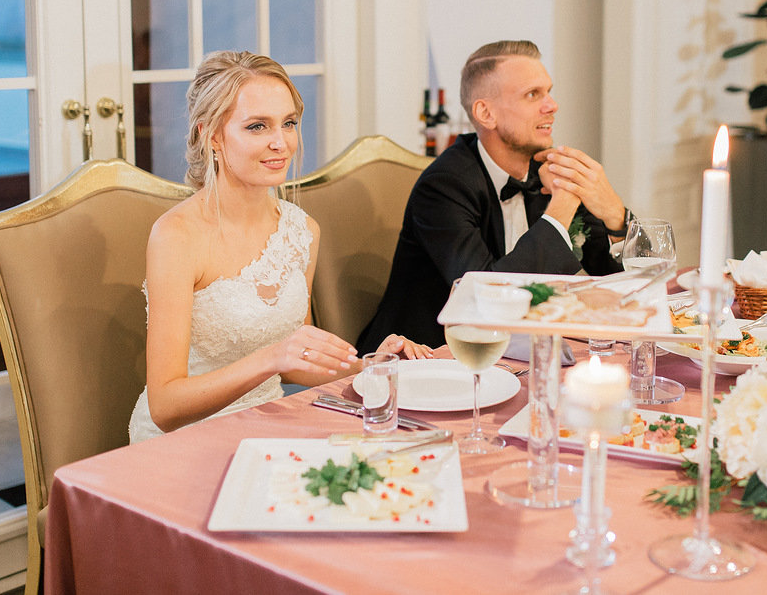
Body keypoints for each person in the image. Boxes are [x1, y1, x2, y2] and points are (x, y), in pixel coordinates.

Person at [130, 51, 429, 443]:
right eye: (257, 126)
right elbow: (165, 407)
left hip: (267, 422)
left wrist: (373, 365)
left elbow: (296, 360)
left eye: (288, 123)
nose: (281, 142)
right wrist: (271, 358)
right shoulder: (176, 236)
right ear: (211, 135)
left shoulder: (301, 230)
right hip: (186, 439)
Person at [357, 40, 628, 352]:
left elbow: (620, 283)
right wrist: (563, 205)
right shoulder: (443, 187)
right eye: (533, 94)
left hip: (517, 354)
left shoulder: (547, 172)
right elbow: (485, 299)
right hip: (423, 358)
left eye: (548, 92)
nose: (552, 105)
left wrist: (614, 216)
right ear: (485, 113)